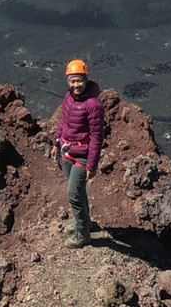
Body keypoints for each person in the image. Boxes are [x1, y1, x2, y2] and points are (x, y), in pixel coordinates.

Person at [50, 58, 105, 248]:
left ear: (86, 79)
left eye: (79, 80)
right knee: (78, 191)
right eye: (73, 81)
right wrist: (56, 142)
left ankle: (83, 234)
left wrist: (92, 164)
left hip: (82, 155)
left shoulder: (93, 105)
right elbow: (64, 122)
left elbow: (97, 137)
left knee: (73, 194)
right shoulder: (69, 98)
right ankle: (85, 223)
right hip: (67, 151)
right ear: (68, 81)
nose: (76, 85)